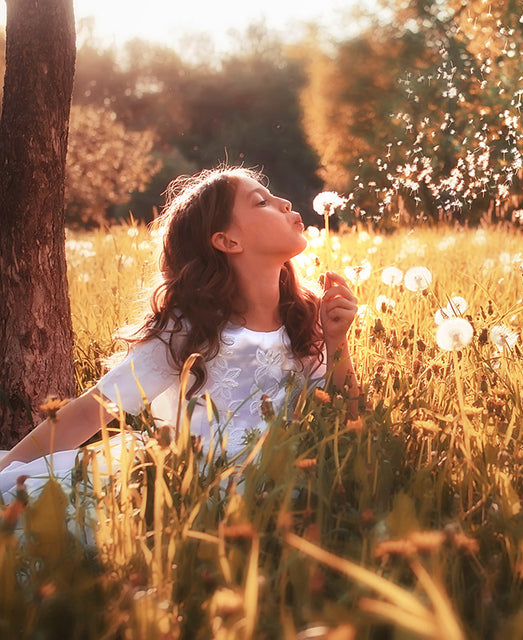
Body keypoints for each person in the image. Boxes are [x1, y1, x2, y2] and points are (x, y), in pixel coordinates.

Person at [0, 166, 359, 492]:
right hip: (188, 490)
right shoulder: (190, 330)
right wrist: (7, 467)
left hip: (282, 491)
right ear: (228, 241)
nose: (284, 203)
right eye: (261, 201)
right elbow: (90, 411)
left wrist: (336, 340)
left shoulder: (306, 317)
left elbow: (349, 417)